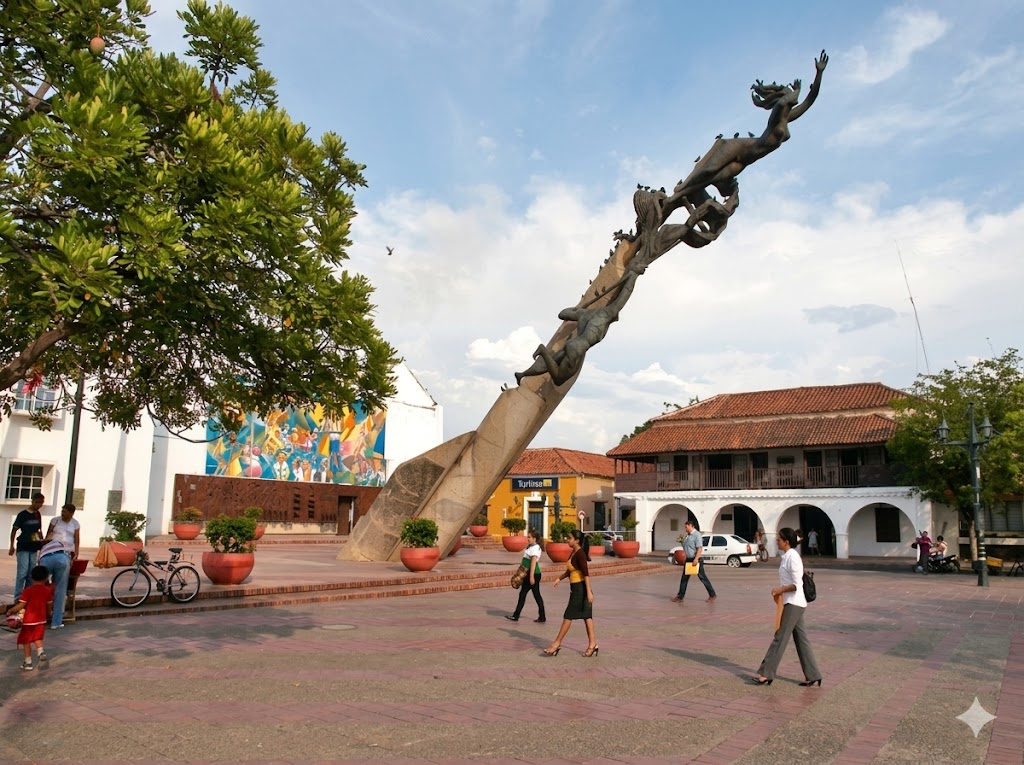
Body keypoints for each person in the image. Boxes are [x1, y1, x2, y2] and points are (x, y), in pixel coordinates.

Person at [752, 527, 821, 686]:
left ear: (786, 542)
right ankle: (814, 674)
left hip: (794, 603)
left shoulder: (793, 557)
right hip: (792, 602)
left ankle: (766, 673)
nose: (777, 541)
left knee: (780, 637)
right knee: (801, 640)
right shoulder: (787, 556)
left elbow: (797, 584)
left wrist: (780, 590)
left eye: (779, 539)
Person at [543, 529, 598, 657]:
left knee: (569, 616)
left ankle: (556, 643)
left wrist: (589, 592)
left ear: (577, 540)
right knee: (587, 616)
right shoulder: (574, 552)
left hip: (581, 590)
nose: (567, 540)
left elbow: (586, 574)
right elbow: (570, 570)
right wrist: (559, 578)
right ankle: (593, 644)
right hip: (576, 589)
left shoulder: (580, 554)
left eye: (569, 538)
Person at [4, 565, 53, 671]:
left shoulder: (28, 591)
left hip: (29, 620)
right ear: (46, 578)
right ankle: (40, 652)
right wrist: (48, 614)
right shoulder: (47, 591)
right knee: (37, 638)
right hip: (41, 619)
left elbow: (21, 605)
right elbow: (49, 605)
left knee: (26, 641)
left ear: (31, 577)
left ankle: (28, 662)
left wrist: (11, 611)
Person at [40, 503, 80, 629]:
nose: (63, 513)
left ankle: (40, 618)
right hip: (62, 556)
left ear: (71, 513)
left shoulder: (75, 524)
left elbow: (76, 539)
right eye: (62, 511)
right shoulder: (55, 521)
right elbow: (48, 535)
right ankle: (56, 621)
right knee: (60, 589)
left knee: (40, 587)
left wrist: (76, 552)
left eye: (65, 512)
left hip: (50, 555)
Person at [9, 492, 45, 599]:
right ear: (32, 501)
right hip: (23, 546)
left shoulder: (38, 515)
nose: (39, 505)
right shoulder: (23, 515)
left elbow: (38, 531)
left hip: (34, 546)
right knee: (22, 572)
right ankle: (17, 597)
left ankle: (27, 596)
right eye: (37, 502)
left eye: (41, 503)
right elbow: (14, 530)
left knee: (31, 573)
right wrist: (11, 545)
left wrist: (42, 542)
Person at [505, 527, 546, 623]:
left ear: (535, 539)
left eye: (529, 537)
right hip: (529, 574)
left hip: (533, 574)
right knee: (526, 594)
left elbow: (533, 563)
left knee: (534, 595)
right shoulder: (531, 547)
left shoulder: (535, 548)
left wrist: (531, 577)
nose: (528, 539)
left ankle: (518, 615)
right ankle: (518, 615)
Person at [672, 520, 717, 603]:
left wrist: (696, 559)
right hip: (688, 559)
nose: (685, 529)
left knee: (702, 577)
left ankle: (712, 594)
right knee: (684, 578)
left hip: (695, 559)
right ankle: (680, 596)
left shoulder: (697, 535)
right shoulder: (687, 536)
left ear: (691, 526)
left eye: (686, 527)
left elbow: (699, 548)